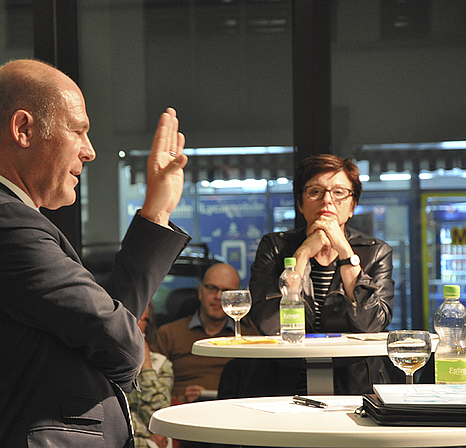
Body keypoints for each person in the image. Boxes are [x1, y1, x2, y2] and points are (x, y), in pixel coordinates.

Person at [0, 59, 190, 448]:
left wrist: (156, 213)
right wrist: (116, 344)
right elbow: (127, 348)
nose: (90, 151)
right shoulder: (1, 222)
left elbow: (113, 328)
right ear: (23, 129)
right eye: (79, 130)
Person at [245, 154, 395, 395]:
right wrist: (302, 254)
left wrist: (345, 251)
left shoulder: (375, 252)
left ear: (352, 206)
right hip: (282, 386)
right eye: (315, 191)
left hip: (355, 387)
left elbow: (372, 323)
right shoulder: (274, 247)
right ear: (301, 204)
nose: (327, 201)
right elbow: (268, 323)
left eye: (338, 193)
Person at [155, 263, 257, 404]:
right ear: (200, 292)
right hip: (183, 412)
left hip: (234, 412)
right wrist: (179, 400)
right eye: (212, 288)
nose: (218, 296)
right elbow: (150, 388)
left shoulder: (250, 338)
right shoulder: (168, 334)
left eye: (226, 291)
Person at [128, 302, 173, 448]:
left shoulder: (161, 364)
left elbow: (159, 421)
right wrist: (146, 437)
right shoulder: (96, 361)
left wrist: (146, 365)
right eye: (128, 317)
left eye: (140, 318)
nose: (133, 324)